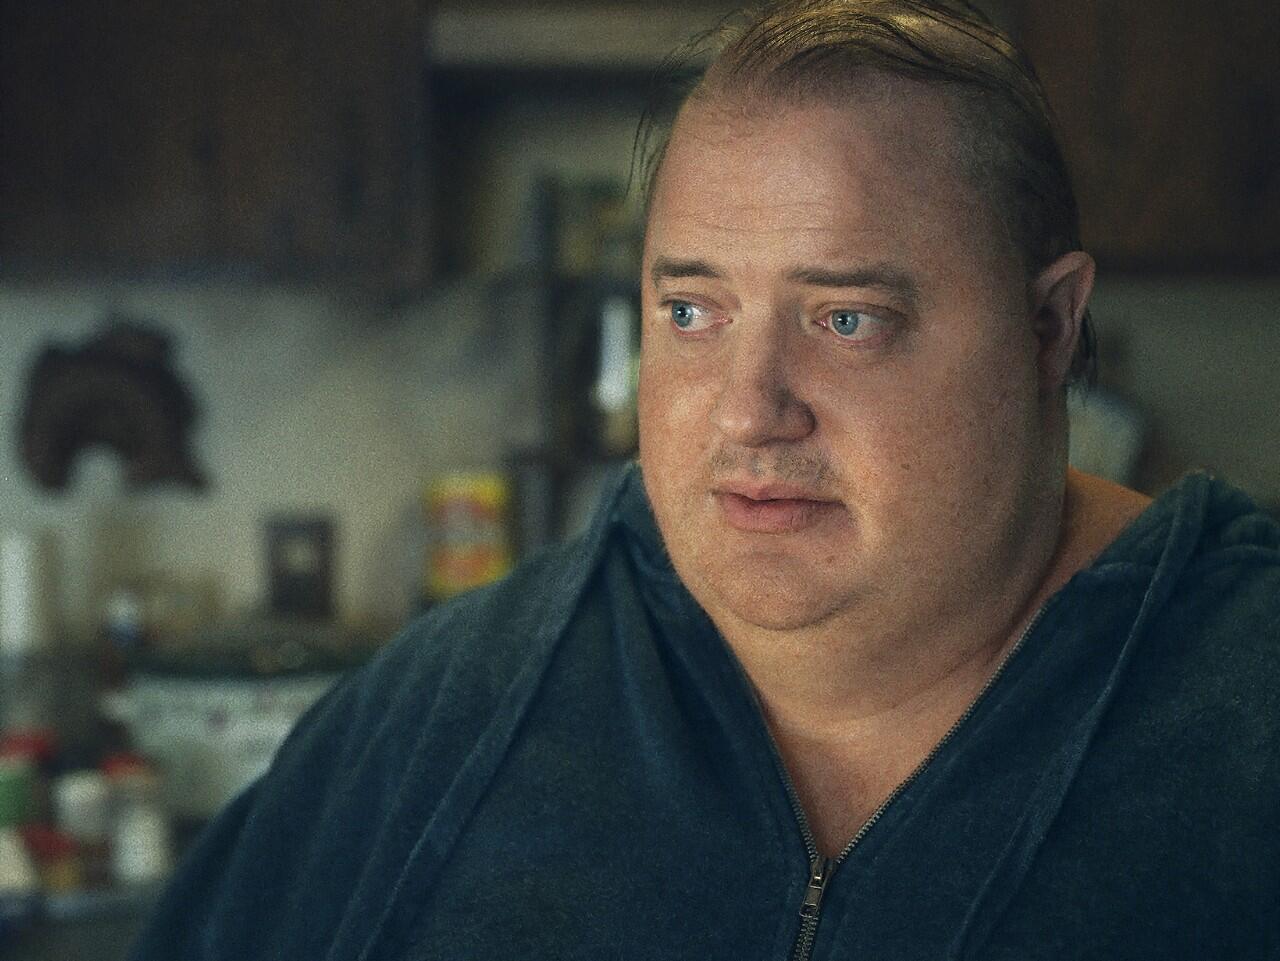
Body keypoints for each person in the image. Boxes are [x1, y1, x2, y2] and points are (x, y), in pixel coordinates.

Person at [129, 2, 1280, 959]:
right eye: (690, 312)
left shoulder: (1242, 713)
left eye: (844, 318)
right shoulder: (446, 712)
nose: (745, 408)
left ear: (1048, 325)